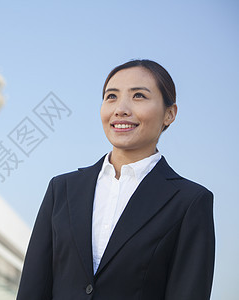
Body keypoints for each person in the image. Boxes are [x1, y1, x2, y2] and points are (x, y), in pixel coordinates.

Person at [16, 59, 215, 300]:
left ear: (169, 114)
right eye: (111, 97)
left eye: (139, 96)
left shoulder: (190, 201)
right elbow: (32, 288)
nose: (121, 109)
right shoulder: (62, 189)